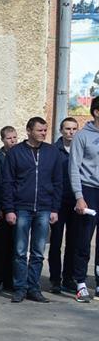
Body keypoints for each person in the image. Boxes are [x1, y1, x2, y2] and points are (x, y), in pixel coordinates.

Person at [2, 117, 63, 303]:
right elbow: (8, 182)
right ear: (29, 131)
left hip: (44, 209)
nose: (43, 133)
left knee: (38, 251)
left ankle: (34, 288)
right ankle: (20, 288)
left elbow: (58, 182)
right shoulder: (16, 153)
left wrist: (55, 208)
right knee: (20, 251)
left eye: (45, 130)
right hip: (22, 208)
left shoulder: (52, 152)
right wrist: (9, 209)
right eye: (39, 130)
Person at [70, 96, 99, 302]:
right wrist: (79, 197)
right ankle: (80, 282)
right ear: (97, 112)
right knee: (83, 240)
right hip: (88, 191)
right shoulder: (82, 136)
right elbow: (74, 168)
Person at [49, 116, 79, 295]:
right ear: (61, 130)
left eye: (74, 129)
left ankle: (69, 278)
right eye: (67, 129)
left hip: (76, 201)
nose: (71, 132)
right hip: (58, 202)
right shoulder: (53, 150)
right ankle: (55, 279)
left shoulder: (79, 148)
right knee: (55, 242)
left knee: (73, 242)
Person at [0, 126, 19, 293]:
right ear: (2, 140)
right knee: (0, 245)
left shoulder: (21, 154)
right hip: (0, 208)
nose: (13, 141)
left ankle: (10, 280)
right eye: (9, 138)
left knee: (15, 246)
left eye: (15, 137)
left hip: (17, 207)